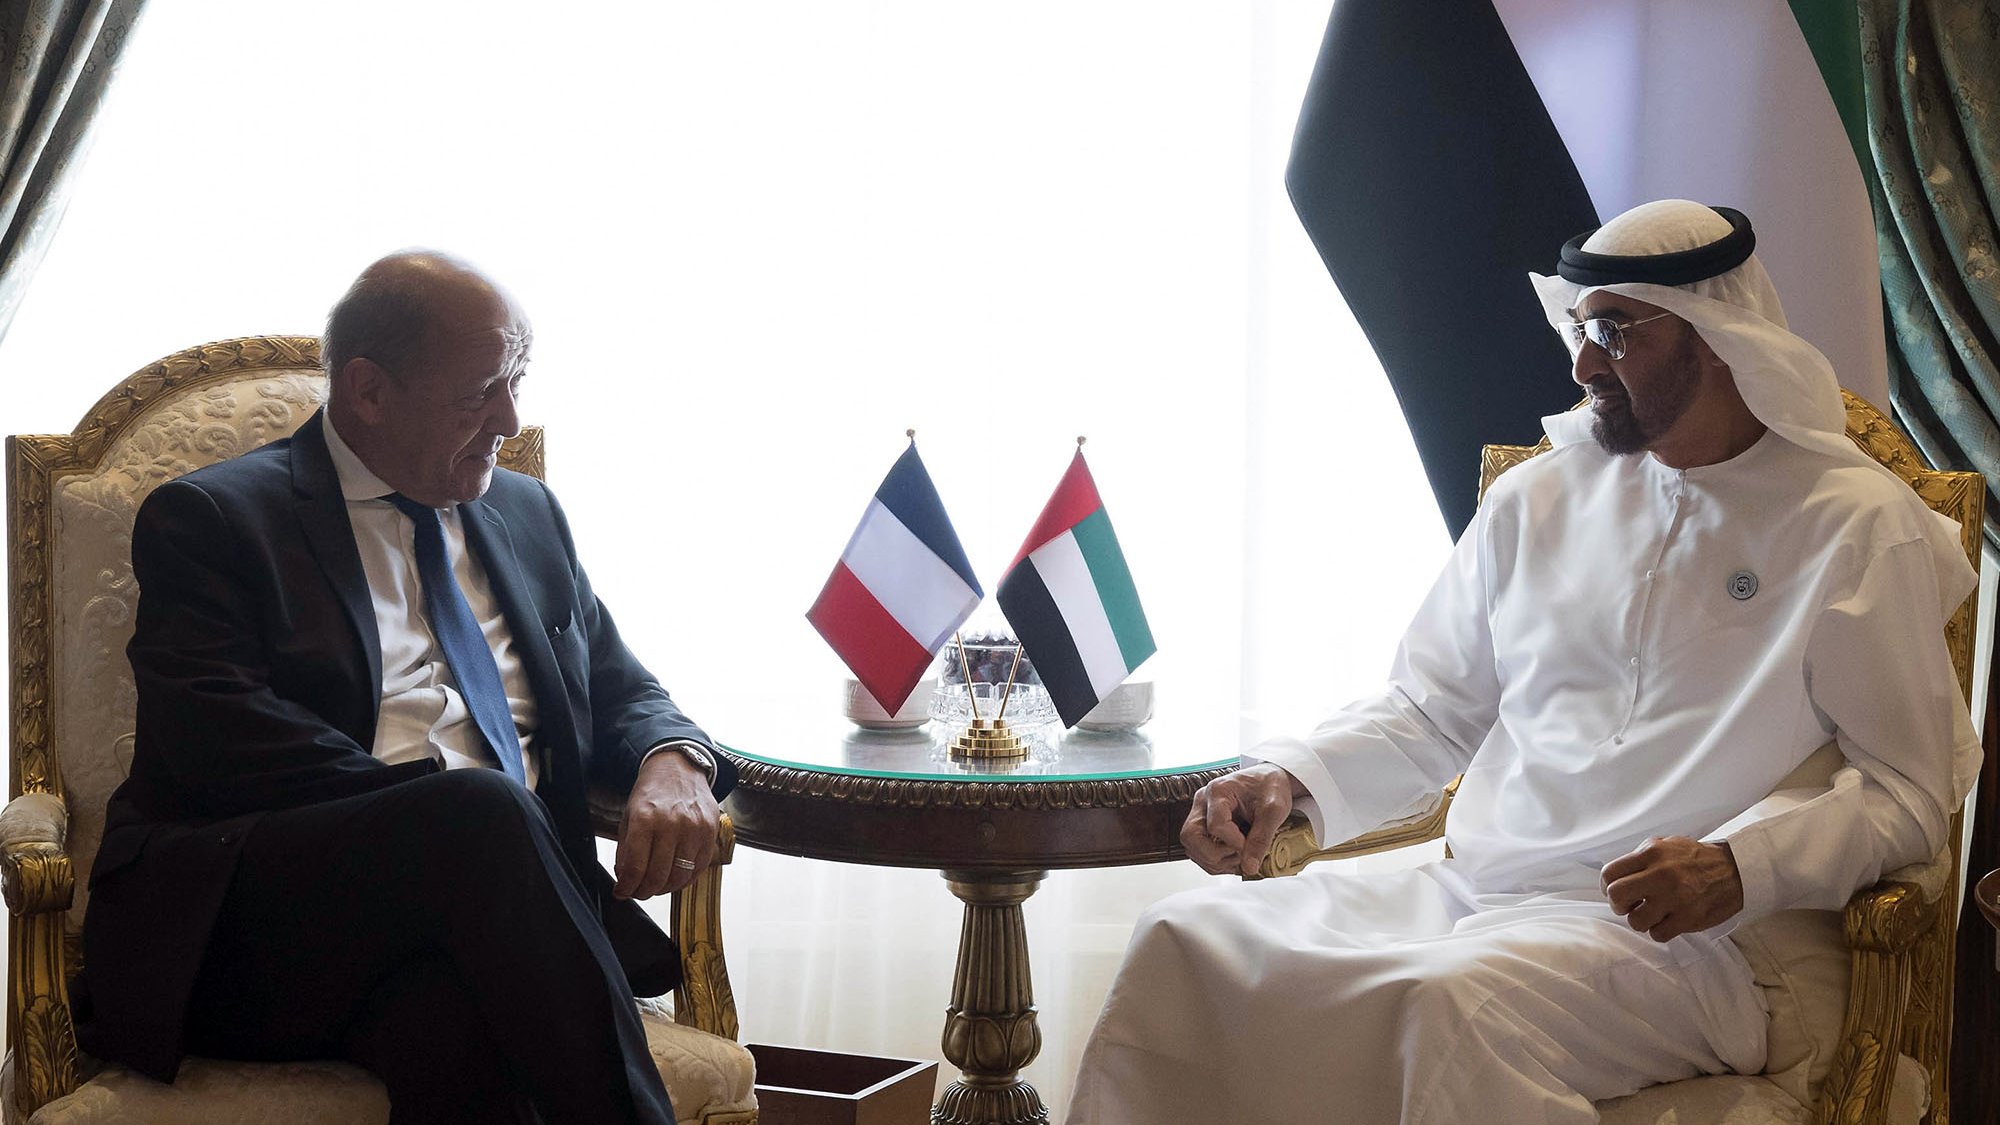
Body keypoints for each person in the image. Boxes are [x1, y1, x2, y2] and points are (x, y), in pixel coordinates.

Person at [1064, 200, 1982, 1124]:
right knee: (1185, 938)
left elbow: (1909, 791)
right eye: (1581, 329)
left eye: (1615, 331)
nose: (1584, 364)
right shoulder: (1537, 497)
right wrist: (1289, 777)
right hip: (1482, 894)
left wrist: (1739, 865)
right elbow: (1431, 709)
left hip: (1701, 944)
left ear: (1714, 336)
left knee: (1452, 1004)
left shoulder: (1855, 523)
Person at [75, 251, 735, 1124]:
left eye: (517, 382)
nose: (510, 417)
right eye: (480, 393)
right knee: (482, 813)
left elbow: (619, 683)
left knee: (452, 1028)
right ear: (368, 392)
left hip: (482, 931)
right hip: (255, 929)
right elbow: (218, 739)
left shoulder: (527, 513)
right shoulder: (214, 520)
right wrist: (445, 823)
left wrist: (675, 756)